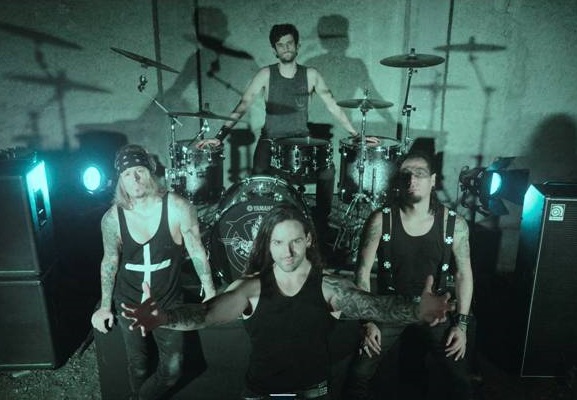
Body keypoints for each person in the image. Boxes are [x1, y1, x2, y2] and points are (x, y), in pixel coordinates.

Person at [121, 203, 454, 399]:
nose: (288, 252)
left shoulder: (329, 288)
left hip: (313, 392)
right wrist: (164, 318)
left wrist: (416, 310)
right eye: (278, 243)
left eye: (295, 241)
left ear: (308, 239)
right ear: (268, 245)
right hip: (260, 393)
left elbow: (376, 307)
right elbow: (206, 314)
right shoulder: (250, 288)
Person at [197, 23, 370, 234]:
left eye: (289, 43)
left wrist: (356, 134)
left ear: (297, 46)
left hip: (300, 141)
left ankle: (320, 224)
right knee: (258, 178)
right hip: (270, 140)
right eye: (280, 45)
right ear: (274, 50)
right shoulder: (265, 74)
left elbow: (333, 106)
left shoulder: (311, 74)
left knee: (327, 171)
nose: (286, 48)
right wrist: (220, 136)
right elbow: (243, 105)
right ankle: (261, 225)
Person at [344, 150, 474, 400]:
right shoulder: (380, 220)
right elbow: (362, 273)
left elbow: (464, 275)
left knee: (461, 379)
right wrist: (367, 322)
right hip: (390, 306)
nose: (412, 180)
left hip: (435, 307)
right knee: (358, 373)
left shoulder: (454, 224)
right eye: (406, 174)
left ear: (433, 180)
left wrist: (462, 325)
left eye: (420, 174)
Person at [90, 144, 216, 400]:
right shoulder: (112, 218)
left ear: (151, 171)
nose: (134, 179)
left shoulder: (178, 207)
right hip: (129, 301)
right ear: (121, 181)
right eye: (127, 174)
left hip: (167, 301)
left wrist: (211, 291)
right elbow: (109, 261)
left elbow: (196, 249)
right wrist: (104, 306)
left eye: (139, 171)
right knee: (138, 365)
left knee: (172, 371)